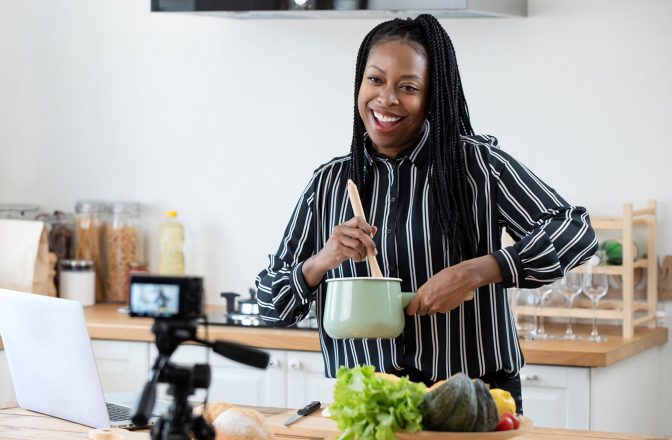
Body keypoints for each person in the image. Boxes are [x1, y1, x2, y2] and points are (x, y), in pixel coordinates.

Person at [255, 14, 597, 414]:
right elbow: (270, 303)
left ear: (432, 94)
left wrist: (478, 271)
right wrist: (322, 260)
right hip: (371, 401)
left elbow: (575, 231)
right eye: (375, 80)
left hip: (471, 397)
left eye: (409, 87)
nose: (386, 99)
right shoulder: (330, 182)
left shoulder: (477, 166)